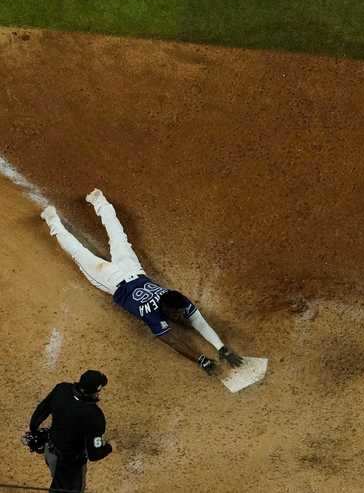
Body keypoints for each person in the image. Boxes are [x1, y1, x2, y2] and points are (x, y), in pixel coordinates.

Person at [40, 189, 243, 375]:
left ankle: (97, 200)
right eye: (178, 314)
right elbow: (171, 339)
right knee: (82, 252)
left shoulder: (175, 298)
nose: (182, 316)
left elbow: (197, 319)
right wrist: (201, 359)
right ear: (167, 309)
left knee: (117, 235)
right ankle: (54, 220)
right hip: (112, 278)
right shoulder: (152, 313)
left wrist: (221, 348)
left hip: (130, 270)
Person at [26, 370, 112, 493]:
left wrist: (34, 429)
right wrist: (110, 446)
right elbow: (94, 454)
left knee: (58, 482)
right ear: (94, 392)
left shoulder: (62, 389)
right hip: (70, 465)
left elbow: (41, 410)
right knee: (68, 489)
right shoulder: (94, 416)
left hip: (49, 451)